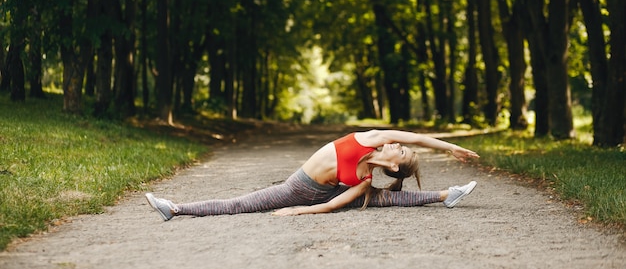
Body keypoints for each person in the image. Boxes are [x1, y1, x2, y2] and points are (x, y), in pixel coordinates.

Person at [145, 129, 479, 220]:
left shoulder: (364, 180)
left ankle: (446, 195)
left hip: (316, 196)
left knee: (375, 196)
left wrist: (301, 210)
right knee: (241, 203)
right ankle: (175, 208)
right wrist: (449, 147)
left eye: (400, 152)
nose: (396, 143)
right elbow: (415, 137)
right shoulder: (371, 138)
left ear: (394, 166)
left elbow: (333, 206)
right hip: (299, 185)